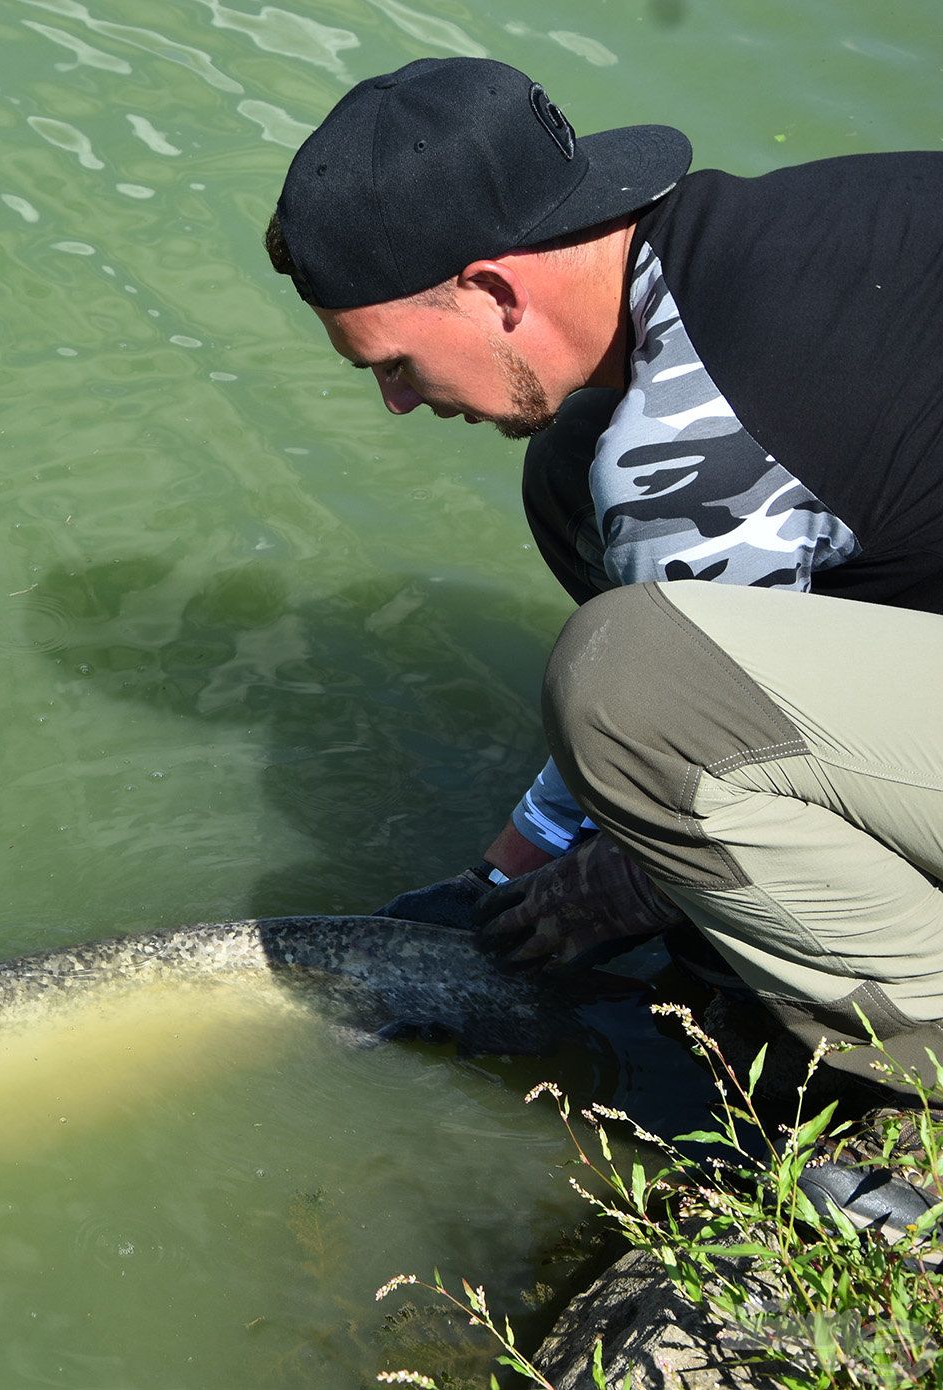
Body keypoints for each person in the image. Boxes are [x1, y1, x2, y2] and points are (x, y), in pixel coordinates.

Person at [263, 56, 943, 1118]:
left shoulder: (693, 440)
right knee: (574, 478)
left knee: (625, 678)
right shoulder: (781, 235)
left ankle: (917, 1057)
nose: (396, 402)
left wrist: (628, 883)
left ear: (492, 290)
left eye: (391, 363)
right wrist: (503, 880)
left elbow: (657, 702)